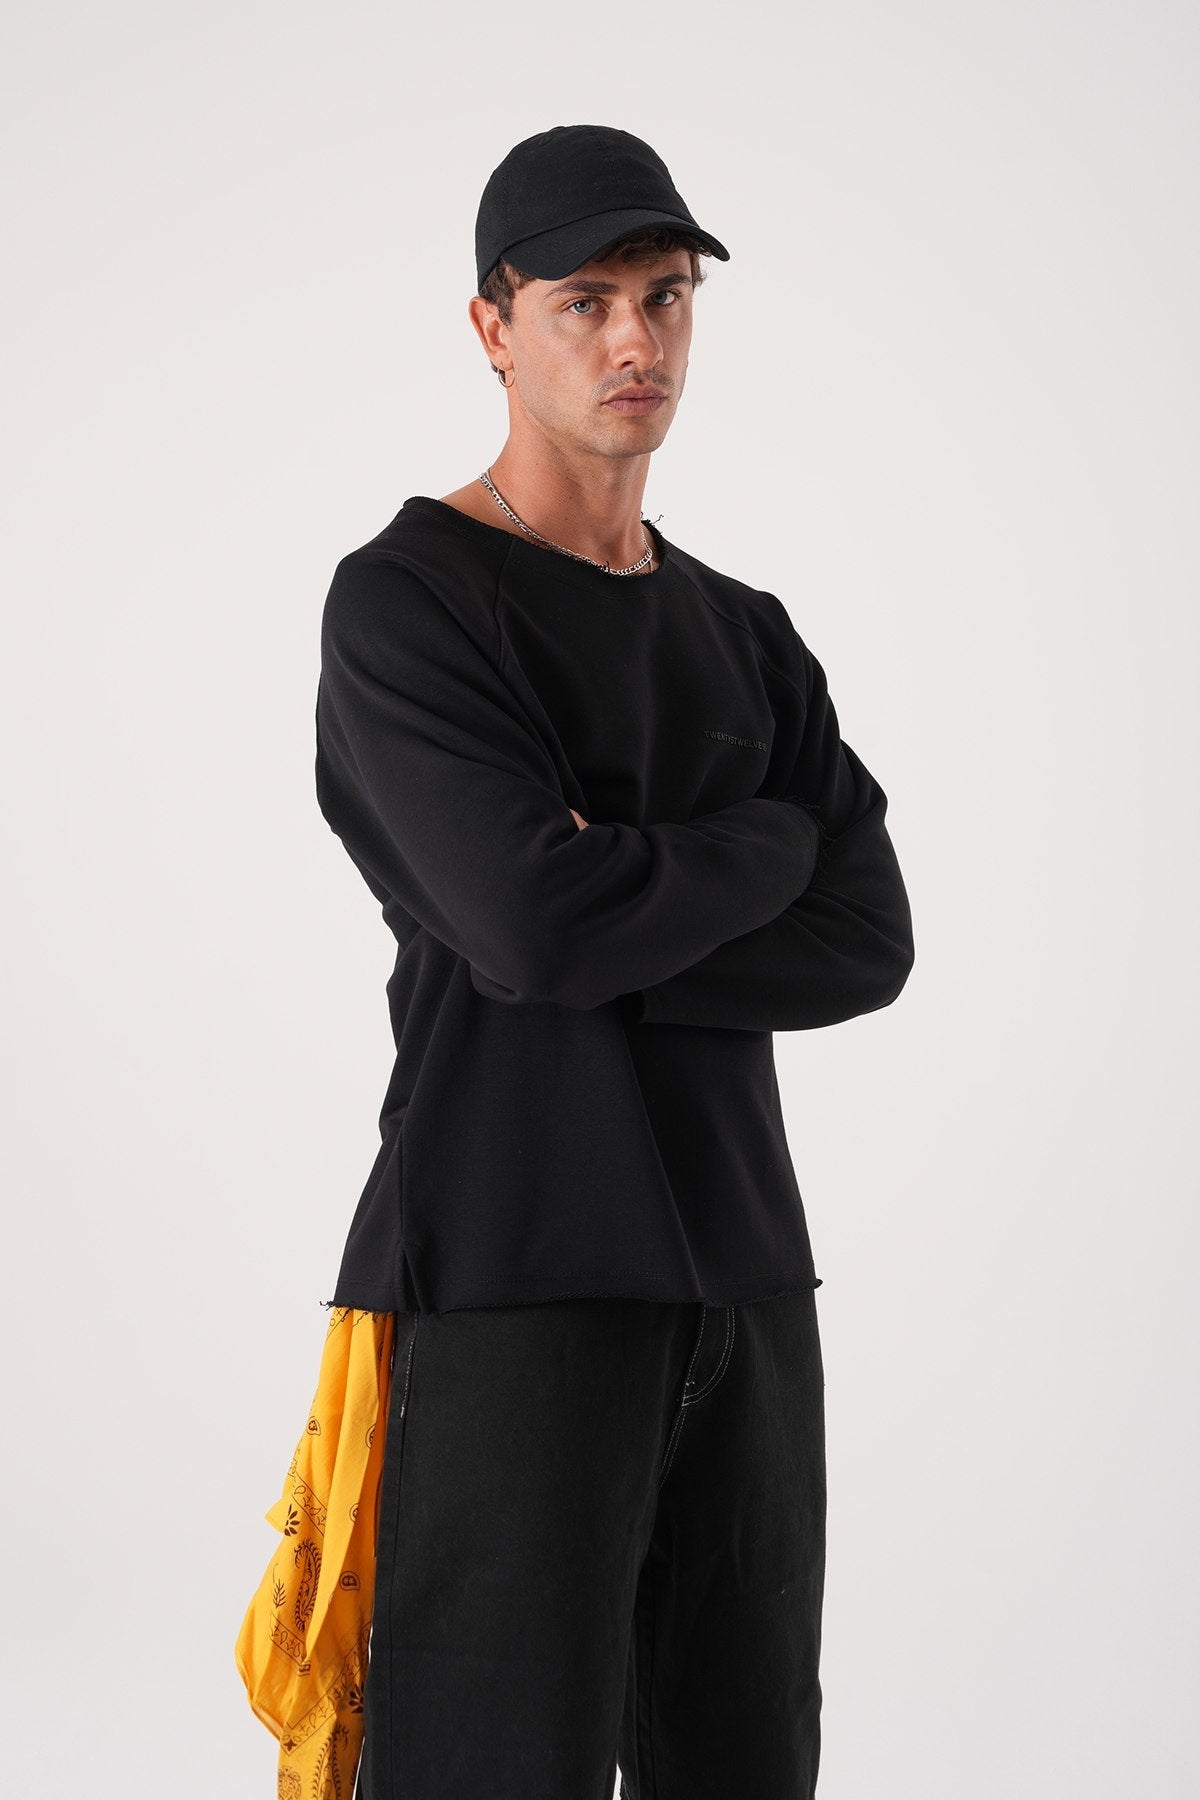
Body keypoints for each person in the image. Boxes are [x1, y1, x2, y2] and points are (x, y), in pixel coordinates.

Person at [244, 123, 915, 1800]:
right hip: (512, 1265)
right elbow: (530, 921)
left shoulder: (745, 633)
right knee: (490, 1763)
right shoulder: (409, 603)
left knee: (747, 1758)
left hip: (744, 1277)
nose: (636, 340)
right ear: (494, 327)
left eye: (666, 297)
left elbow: (867, 939)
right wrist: (760, 846)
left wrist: (608, 899)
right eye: (585, 301)